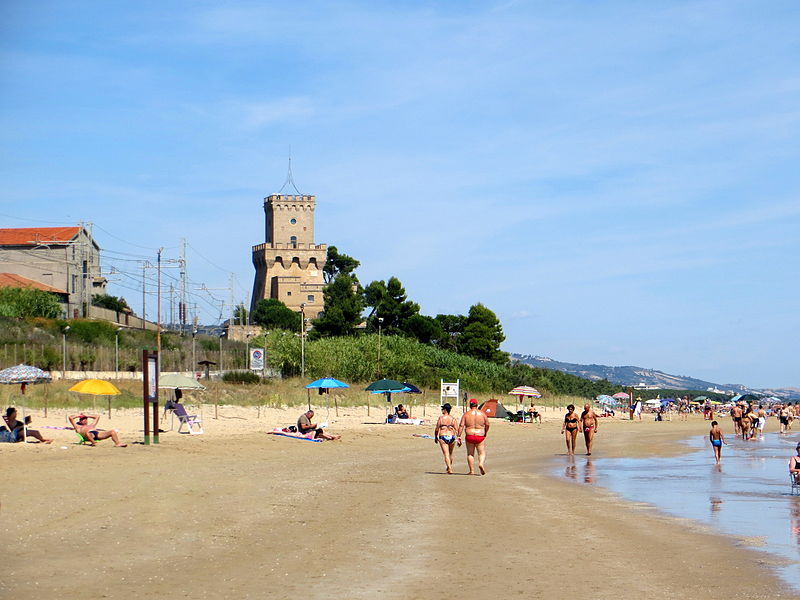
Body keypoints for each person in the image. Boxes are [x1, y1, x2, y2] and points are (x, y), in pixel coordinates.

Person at [457, 399, 489, 475]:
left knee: (470, 454)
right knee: (481, 453)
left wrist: (459, 436)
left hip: (469, 435)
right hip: (480, 435)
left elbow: (461, 425)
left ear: (470, 405)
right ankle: (481, 463)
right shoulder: (482, 414)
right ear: (477, 405)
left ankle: (471, 471)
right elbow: (487, 424)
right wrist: (485, 432)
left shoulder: (466, 414)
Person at [434, 403, 460, 474]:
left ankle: (450, 468)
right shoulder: (453, 419)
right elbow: (457, 430)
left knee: (446, 454)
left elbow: (437, 429)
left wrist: (436, 437)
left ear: (445, 410)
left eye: (442, 409)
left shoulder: (441, 418)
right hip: (452, 436)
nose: (442, 410)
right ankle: (449, 468)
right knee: (450, 454)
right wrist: (458, 438)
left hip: (443, 436)